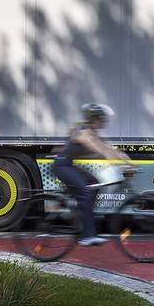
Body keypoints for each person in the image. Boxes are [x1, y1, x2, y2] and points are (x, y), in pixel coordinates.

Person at [53, 103, 132, 246]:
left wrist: (129, 162)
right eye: (101, 119)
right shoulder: (84, 132)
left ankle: (81, 217)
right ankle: (87, 236)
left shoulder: (92, 133)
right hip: (61, 166)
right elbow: (102, 150)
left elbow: (110, 148)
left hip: (68, 165)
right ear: (94, 119)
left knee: (95, 185)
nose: (103, 122)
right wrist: (122, 164)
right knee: (85, 193)